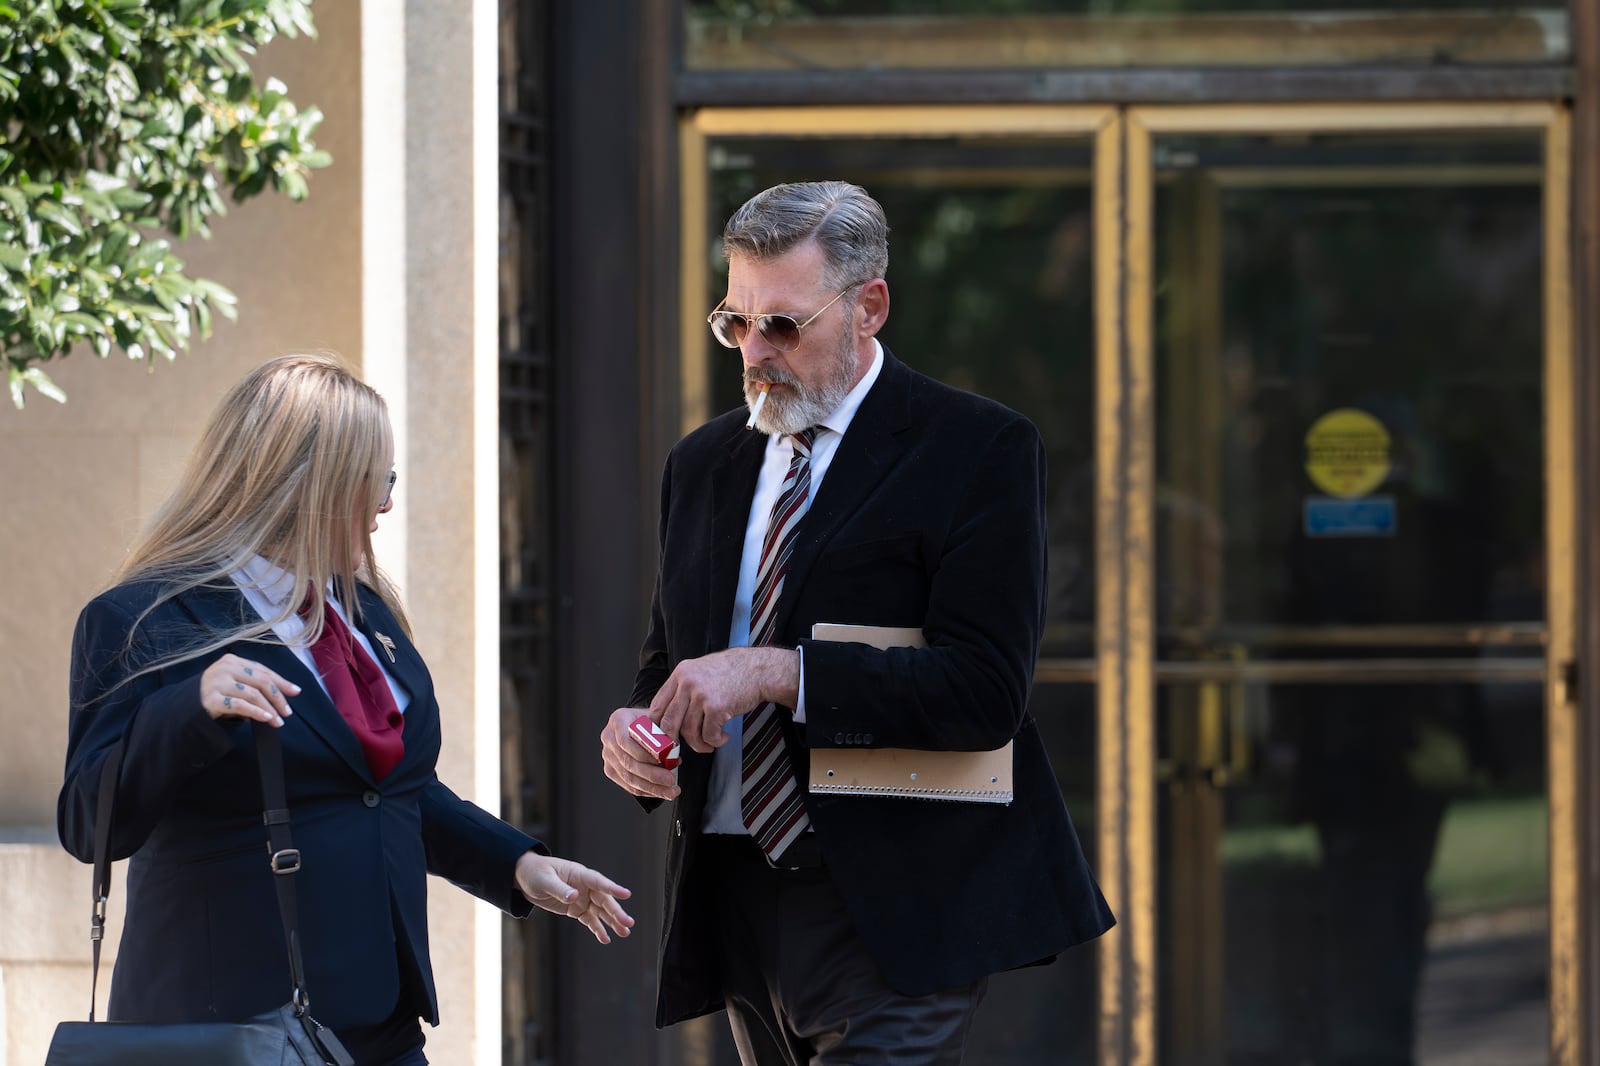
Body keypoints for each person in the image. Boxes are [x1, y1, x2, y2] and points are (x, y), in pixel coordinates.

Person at [600, 181, 1113, 1065]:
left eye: (784, 326)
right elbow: (668, 660)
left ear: (869, 306)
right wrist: (638, 729)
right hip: (734, 892)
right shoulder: (704, 462)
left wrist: (773, 671)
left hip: (895, 904)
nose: (755, 352)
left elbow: (984, 691)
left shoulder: (977, 448)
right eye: (736, 323)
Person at [58, 353, 634, 1066]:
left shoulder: (365, 612)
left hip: (375, 1029)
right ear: (310, 486)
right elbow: (89, 824)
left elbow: (388, 791)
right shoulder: (144, 620)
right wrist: (189, 711)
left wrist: (515, 864)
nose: (387, 506)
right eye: (377, 483)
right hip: (228, 1033)